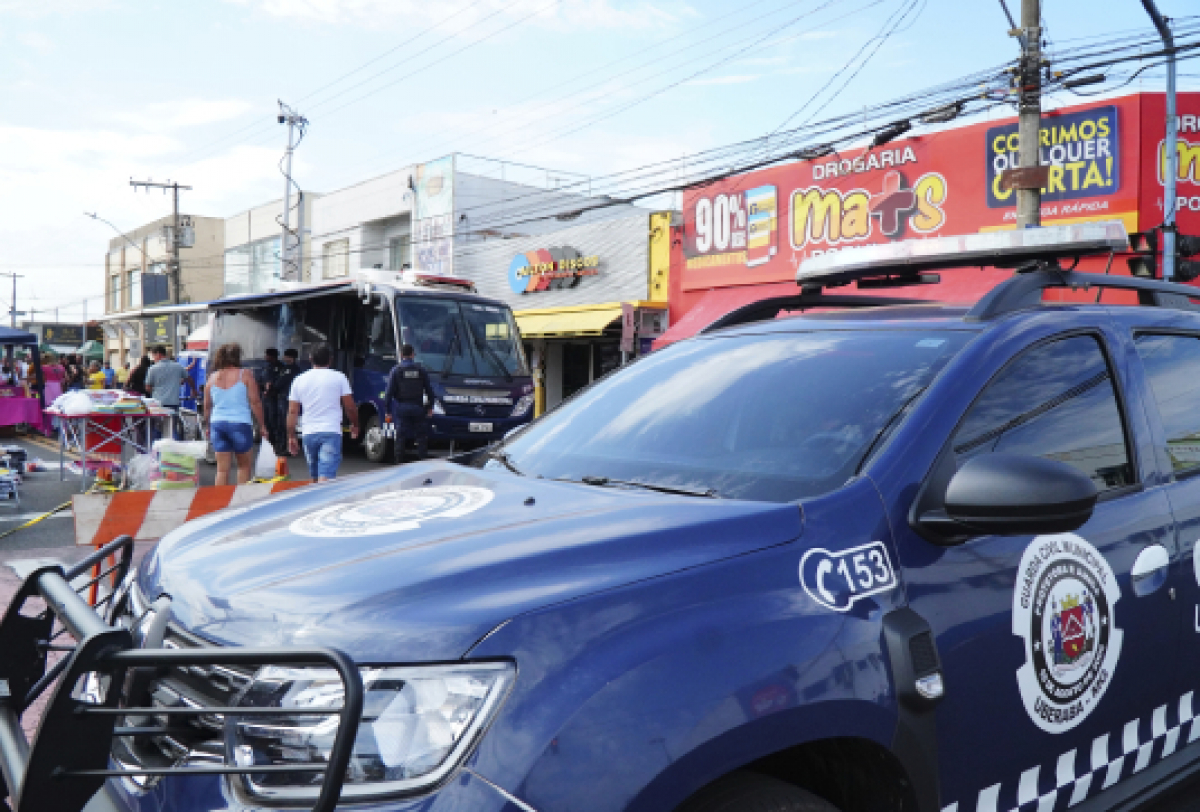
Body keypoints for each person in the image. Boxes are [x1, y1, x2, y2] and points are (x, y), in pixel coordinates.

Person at [287, 344, 358, 482]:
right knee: (325, 477)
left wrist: (291, 436)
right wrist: (355, 424)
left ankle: (315, 502)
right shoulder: (339, 377)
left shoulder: (299, 380)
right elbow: (350, 406)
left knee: (315, 478)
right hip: (331, 431)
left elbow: (292, 411)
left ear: (310, 359)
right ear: (330, 360)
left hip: (308, 433)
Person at [204, 343, 265, 486]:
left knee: (222, 470)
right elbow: (255, 402)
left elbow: (207, 406)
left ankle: (221, 504)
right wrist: (262, 425)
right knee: (243, 467)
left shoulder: (212, 378)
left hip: (217, 424)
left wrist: (208, 426)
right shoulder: (245, 375)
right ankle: (241, 503)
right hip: (240, 424)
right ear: (237, 358)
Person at [385, 343, 438, 463]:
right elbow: (429, 391)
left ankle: (399, 461)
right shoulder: (421, 370)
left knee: (400, 437)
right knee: (421, 437)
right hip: (418, 407)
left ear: (401, 355)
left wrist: (388, 411)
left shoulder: (396, 370)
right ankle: (422, 460)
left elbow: (388, 393)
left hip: (402, 407)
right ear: (413, 355)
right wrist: (430, 407)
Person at [270, 349, 301, 454]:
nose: (284, 358)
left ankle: (286, 446)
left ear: (291, 358)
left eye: (286, 356)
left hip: (286, 398)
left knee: (285, 423)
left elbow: (280, 382)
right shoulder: (286, 368)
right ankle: (281, 445)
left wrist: (273, 387)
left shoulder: (292, 370)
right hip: (282, 397)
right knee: (280, 423)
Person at [256, 348, 284, 452]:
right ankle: (268, 441)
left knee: (274, 420)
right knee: (266, 419)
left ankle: (277, 442)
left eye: (267, 355)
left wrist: (269, 390)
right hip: (265, 398)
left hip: (274, 398)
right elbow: (260, 381)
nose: (265, 357)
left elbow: (276, 383)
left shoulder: (280, 368)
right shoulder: (265, 367)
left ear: (272, 356)